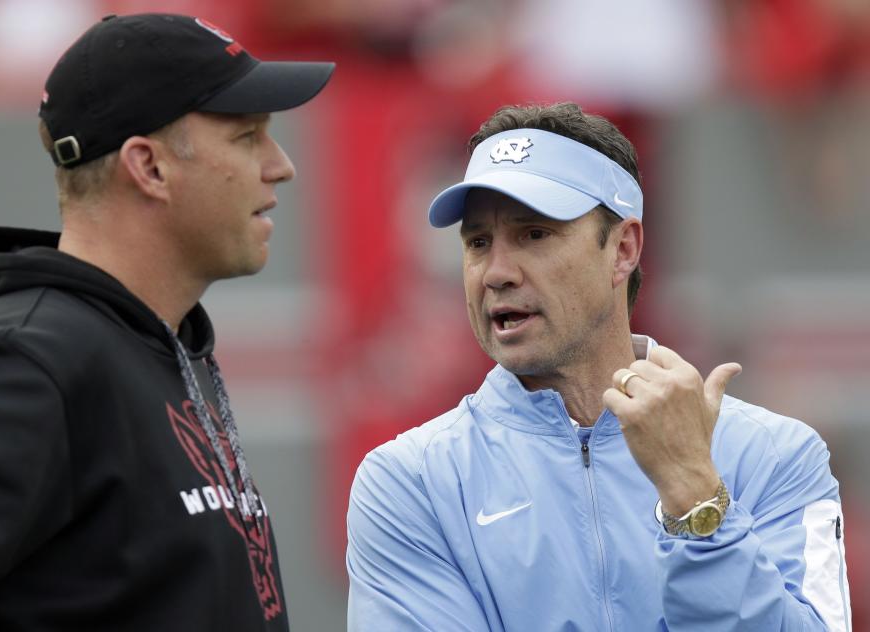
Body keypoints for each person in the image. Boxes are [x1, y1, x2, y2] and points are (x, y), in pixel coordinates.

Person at [346, 102, 852, 630]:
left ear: (623, 249)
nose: (495, 272)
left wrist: (698, 501)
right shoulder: (409, 482)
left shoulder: (777, 454)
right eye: (477, 243)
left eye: (534, 235)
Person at [0, 13, 333, 631]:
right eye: (247, 138)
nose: (280, 165)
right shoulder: (28, 358)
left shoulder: (158, 341)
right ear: (150, 167)